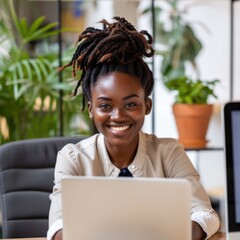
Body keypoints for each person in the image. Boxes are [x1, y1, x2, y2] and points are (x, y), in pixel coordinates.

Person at [47, 16, 220, 240]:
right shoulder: (72, 159)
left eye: (130, 104)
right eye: (105, 106)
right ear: (91, 109)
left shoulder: (168, 153)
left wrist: (172, 234)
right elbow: (57, 227)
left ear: (146, 106)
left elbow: (205, 215)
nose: (118, 116)